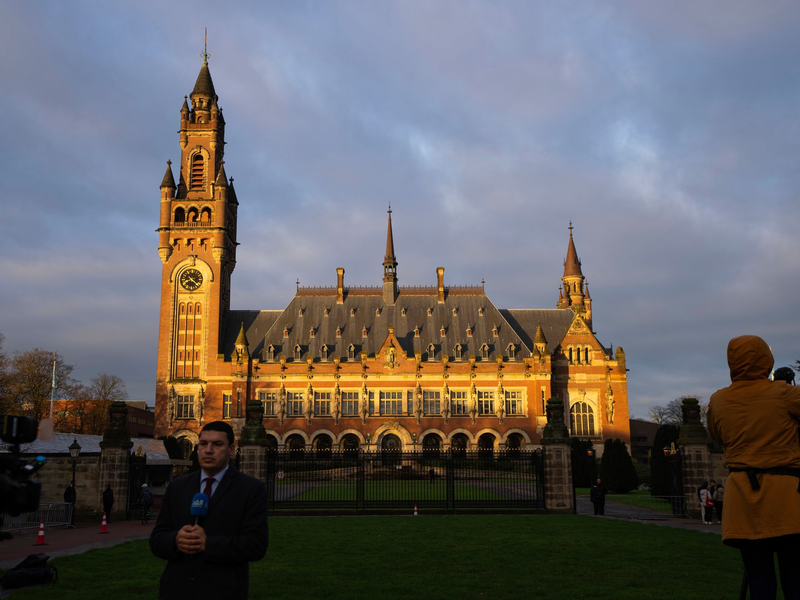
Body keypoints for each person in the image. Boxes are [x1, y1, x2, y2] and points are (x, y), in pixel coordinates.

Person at [707, 335, 800, 599]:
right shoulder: (784, 393)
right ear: (766, 360)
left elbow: (717, 435)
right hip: (786, 498)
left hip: (743, 498)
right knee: (795, 578)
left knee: (759, 581)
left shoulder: (718, 400)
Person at [150, 421, 269, 600]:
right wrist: (175, 540)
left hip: (223, 591)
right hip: (175, 590)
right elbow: (157, 539)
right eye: (203, 444)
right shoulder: (178, 487)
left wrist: (209, 544)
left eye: (217, 444)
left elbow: (256, 545)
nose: (208, 450)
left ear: (231, 449)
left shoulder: (250, 489)